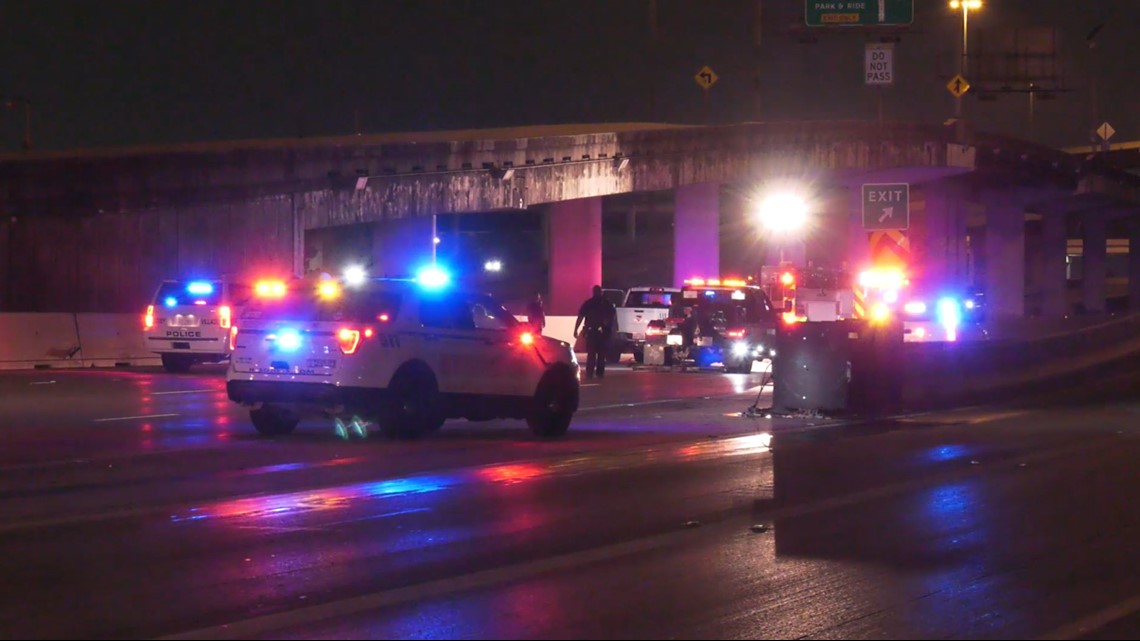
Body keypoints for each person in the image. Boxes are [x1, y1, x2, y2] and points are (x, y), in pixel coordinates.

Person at [574, 284, 618, 379]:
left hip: (594, 332)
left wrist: (576, 329)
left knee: (593, 354)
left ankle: (591, 373)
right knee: (599, 354)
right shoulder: (606, 304)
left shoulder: (589, 303)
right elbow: (613, 318)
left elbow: (580, 317)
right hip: (601, 332)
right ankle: (598, 373)